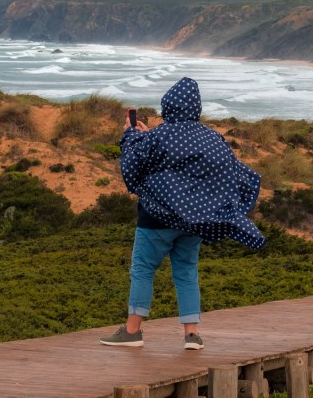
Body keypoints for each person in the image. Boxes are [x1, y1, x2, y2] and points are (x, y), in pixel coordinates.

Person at [100, 77, 264, 350]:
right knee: (187, 272)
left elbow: (132, 165)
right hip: (194, 220)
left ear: (169, 106)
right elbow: (233, 171)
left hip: (156, 218)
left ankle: (132, 332)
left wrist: (130, 134)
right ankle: (191, 335)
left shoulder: (159, 135)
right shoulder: (212, 137)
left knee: (142, 270)